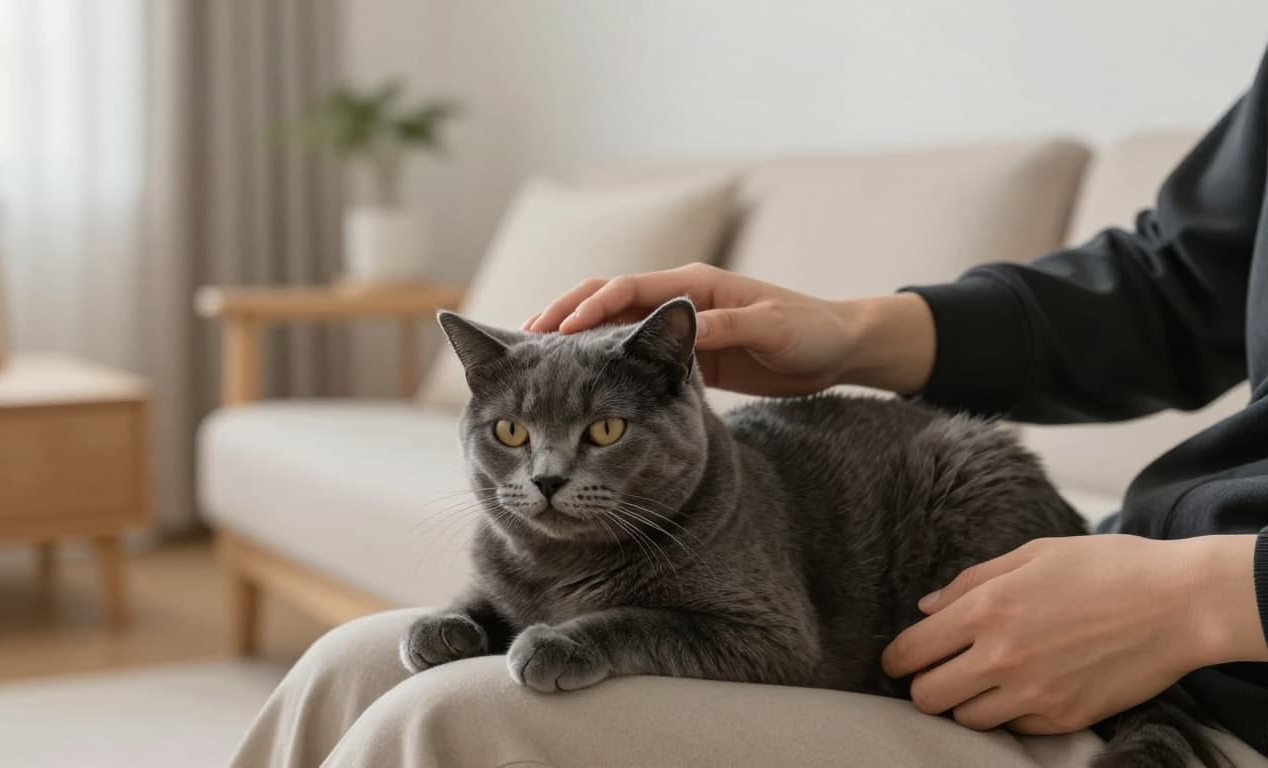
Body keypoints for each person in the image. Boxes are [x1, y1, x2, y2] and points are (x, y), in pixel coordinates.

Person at [229, 49, 1268, 768]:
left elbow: (768, 633)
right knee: (349, 668)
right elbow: (1175, 286)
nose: (542, 468)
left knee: (451, 727)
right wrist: (852, 332)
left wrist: (1211, 597)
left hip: (1218, 678)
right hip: (1103, 591)